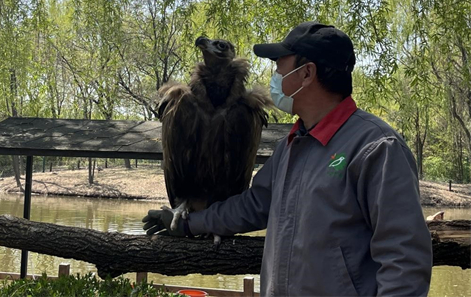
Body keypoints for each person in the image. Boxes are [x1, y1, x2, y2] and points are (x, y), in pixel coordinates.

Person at [143, 21, 432, 297]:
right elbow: (254, 205)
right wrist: (189, 223)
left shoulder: (377, 147)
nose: (275, 73)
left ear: (307, 74)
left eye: (280, 63)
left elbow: (404, 260)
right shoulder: (294, 145)